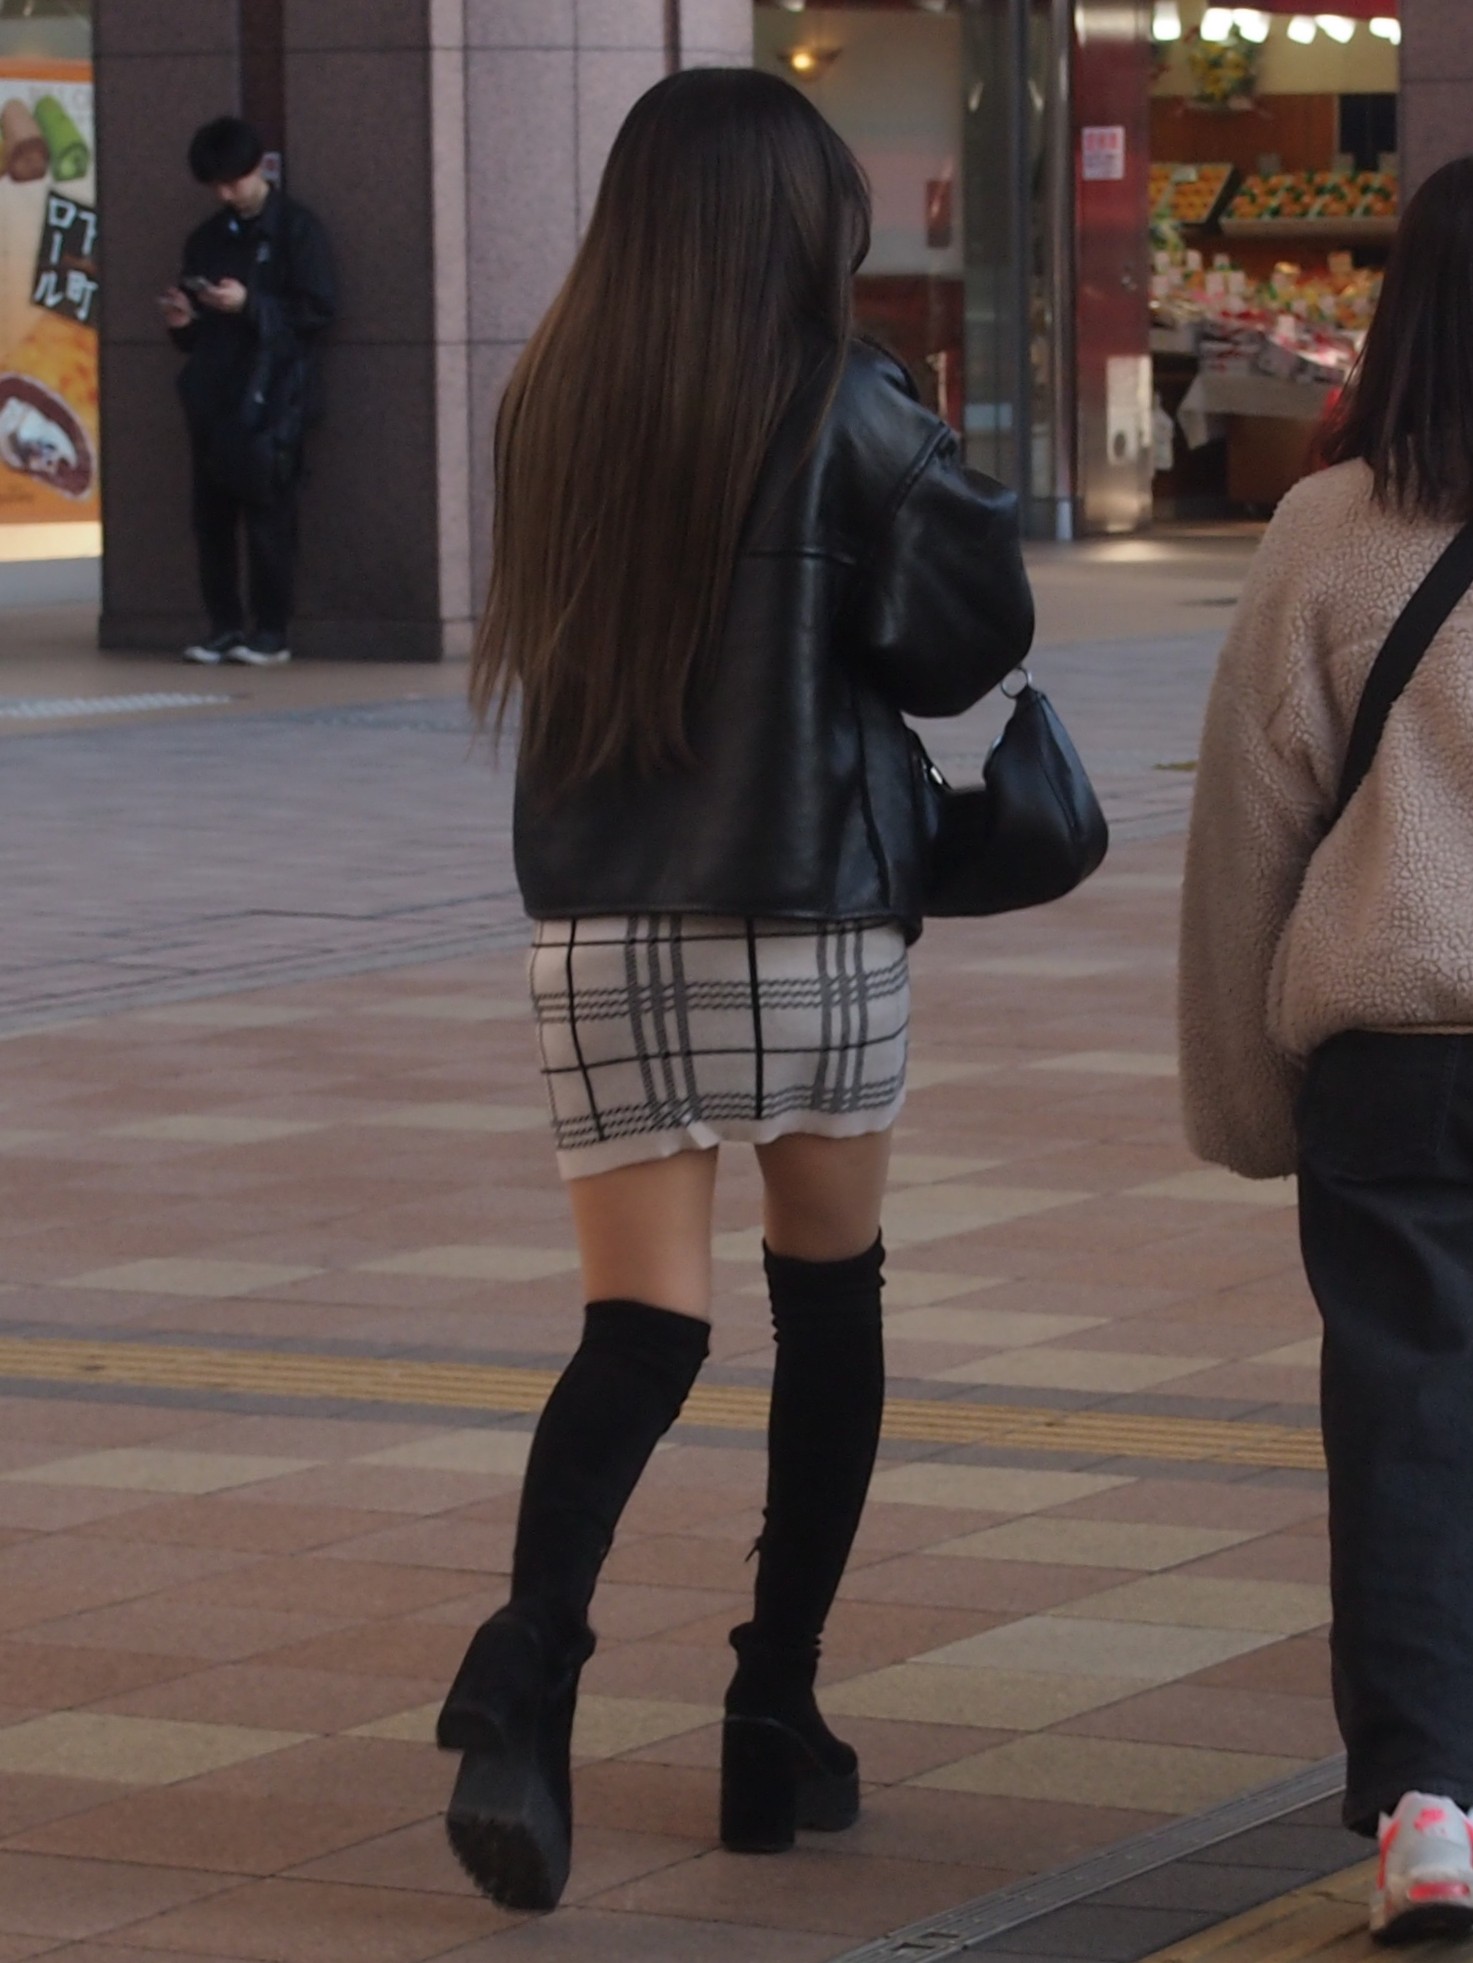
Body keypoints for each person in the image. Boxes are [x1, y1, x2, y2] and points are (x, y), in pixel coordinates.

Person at [433, 68, 1035, 1913]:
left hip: (601, 925)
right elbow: (970, 642)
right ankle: (773, 1709)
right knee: (828, 1301)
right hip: (807, 915)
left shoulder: (553, 401)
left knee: (639, 1325)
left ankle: (525, 1667)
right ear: (799, 221)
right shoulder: (848, 405)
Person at [1180, 155, 1473, 1948]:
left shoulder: (1326, 532)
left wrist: (1241, 1090)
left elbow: (1248, 834)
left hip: (1393, 1052)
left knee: (1406, 1421)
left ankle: (1432, 1810)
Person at [159, 117, 335, 668]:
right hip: (213, 392)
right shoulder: (207, 238)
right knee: (210, 518)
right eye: (215, 185)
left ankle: (271, 631)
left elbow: (317, 311)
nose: (224, 194)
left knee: (267, 515)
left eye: (232, 182)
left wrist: (250, 304)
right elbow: (194, 337)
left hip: (272, 396)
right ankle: (223, 626)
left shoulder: (295, 230)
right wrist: (184, 321)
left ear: (257, 168)